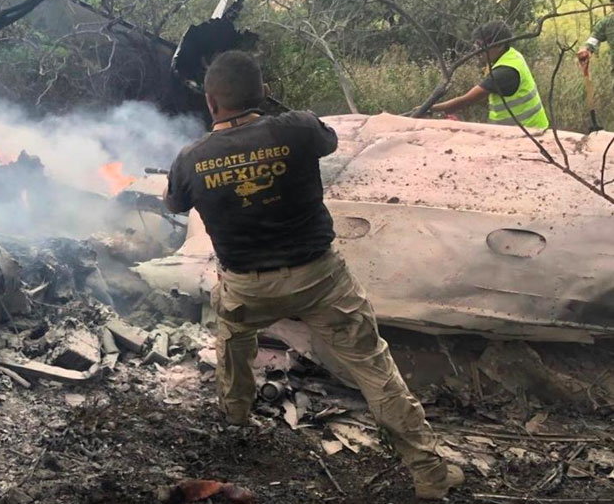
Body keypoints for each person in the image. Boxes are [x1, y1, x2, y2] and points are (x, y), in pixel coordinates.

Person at [163, 51, 464, 500]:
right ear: (263, 93)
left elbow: (173, 205)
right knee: (374, 369)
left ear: (210, 101)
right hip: (320, 281)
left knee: (233, 340)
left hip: (247, 284)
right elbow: (329, 140)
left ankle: (235, 418)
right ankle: (430, 476)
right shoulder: (297, 127)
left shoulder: (192, 157)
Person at [430, 20, 549, 129]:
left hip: (527, 132)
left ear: (499, 45)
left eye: (482, 46)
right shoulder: (510, 55)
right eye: (477, 45)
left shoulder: (504, 72)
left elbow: (466, 100)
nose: (478, 51)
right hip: (520, 129)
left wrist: (429, 109)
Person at [577, 0, 614, 94]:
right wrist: (586, 49)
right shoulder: (608, 23)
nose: (613, 5)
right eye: (612, 2)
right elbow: (595, 37)